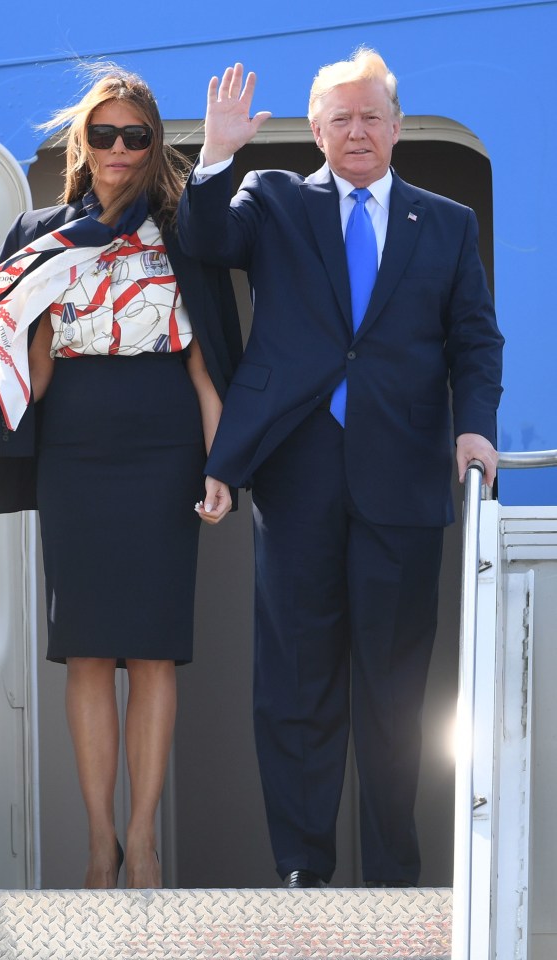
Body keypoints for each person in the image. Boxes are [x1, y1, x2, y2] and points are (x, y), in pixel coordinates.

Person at [177, 49, 504, 888]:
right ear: (315, 128)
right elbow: (206, 241)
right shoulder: (273, 198)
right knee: (295, 685)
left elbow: (474, 340)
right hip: (298, 474)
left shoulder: (449, 222)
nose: (357, 131)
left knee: (396, 695)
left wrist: (475, 430)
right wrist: (214, 156)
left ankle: (394, 874)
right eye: (340, 118)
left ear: (397, 127)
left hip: (403, 477)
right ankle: (302, 870)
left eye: (372, 116)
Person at [0, 63, 242, 890]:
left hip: (164, 445)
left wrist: (226, 464)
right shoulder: (42, 232)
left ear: (152, 146)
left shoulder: (181, 233)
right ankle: (98, 844)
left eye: (135, 135)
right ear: (85, 142)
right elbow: (26, 368)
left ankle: (144, 843)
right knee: (84, 653)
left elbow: (202, 364)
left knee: (150, 653)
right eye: (103, 134)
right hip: (75, 446)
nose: (118, 148)